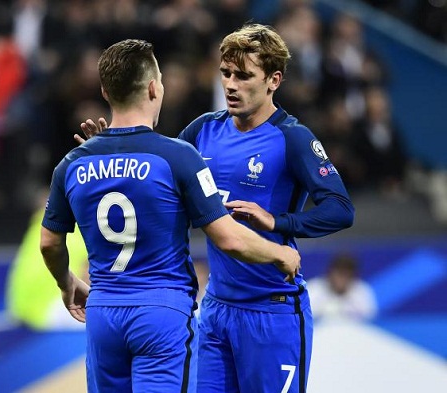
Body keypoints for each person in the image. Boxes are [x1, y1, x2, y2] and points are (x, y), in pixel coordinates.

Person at [79, 25, 355, 393]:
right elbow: (155, 184)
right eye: (225, 73)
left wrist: (278, 220)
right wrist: (112, 148)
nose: (231, 84)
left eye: (243, 76)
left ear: (273, 80)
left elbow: (340, 208)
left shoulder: (292, 137)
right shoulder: (202, 131)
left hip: (272, 311)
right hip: (215, 312)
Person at [41, 39, 300, 393]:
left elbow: (49, 243)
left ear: (105, 91)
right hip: (161, 314)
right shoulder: (178, 157)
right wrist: (280, 253)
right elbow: (229, 238)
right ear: (153, 88)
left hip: (103, 312)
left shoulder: (72, 164)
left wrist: (66, 282)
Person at [5, 189, 89, 331]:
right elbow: (90, 278)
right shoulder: (88, 227)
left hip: (20, 309)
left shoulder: (42, 220)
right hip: (52, 308)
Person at [306, 253, 377, 322]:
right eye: (339, 273)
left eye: (346, 274)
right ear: (330, 273)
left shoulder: (362, 292)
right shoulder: (313, 290)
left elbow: (370, 322)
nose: (342, 279)